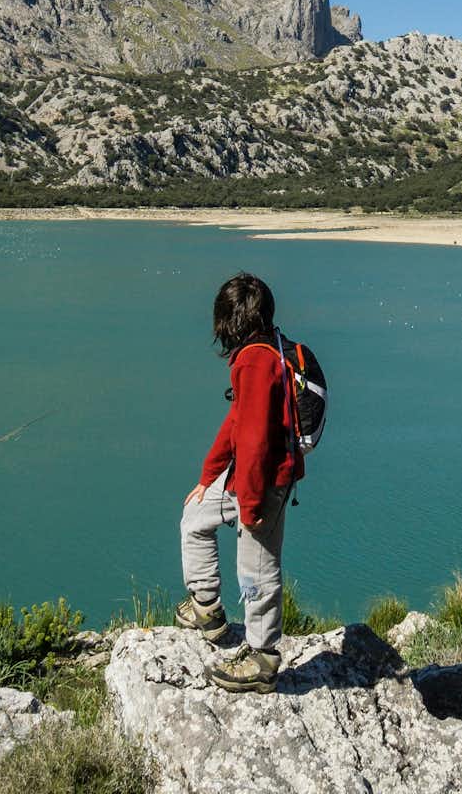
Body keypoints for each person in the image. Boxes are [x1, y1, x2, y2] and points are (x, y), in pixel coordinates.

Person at [173, 271, 304, 693]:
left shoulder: (253, 360)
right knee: (196, 514)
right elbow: (237, 422)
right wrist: (209, 476)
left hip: (265, 481)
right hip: (249, 477)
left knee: (257, 570)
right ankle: (207, 610)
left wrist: (251, 508)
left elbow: (254, 441)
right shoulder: (268, 348)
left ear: (228, 321)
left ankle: (262, 657)